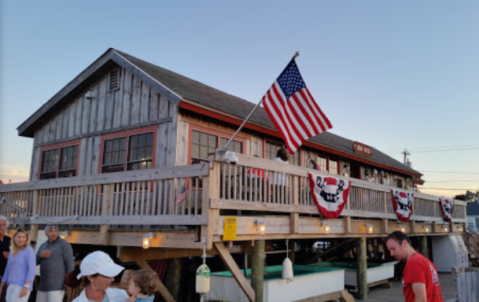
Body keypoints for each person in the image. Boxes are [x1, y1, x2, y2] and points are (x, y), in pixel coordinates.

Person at [386, 231, 443, 302]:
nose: (391, 254)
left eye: (393, 249)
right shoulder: (425, 261)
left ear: (404, 243)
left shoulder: (414, 263)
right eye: (390, 251)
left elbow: (421, 299)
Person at [36, 224, 75, 302]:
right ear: (46, 233)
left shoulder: (64, 245)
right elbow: (34, 262)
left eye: (55, 231)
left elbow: (70, 263)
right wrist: (40, 255)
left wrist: (69, 282)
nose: (53, 233)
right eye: (51, 231)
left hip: (57, 285)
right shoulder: (43, 246)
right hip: (43, 285)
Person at [0, 229, 36, 302]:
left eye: (23, 237)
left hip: (22, 285)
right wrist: (1, 286)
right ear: (14, 238)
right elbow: (8, 269)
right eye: (19, 237)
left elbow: (32, 270)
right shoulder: (12, 250)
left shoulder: (29, 250)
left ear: (26, 238)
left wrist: (26, 287)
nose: (21, 239)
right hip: (11, 284)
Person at [0, 216, 11, 302]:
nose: (1, 227)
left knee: (5, 298)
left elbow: (18, 255)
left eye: (3, 225)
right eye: (0, 225)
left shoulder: (10, 240)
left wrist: (11, 256)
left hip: (7, 276)